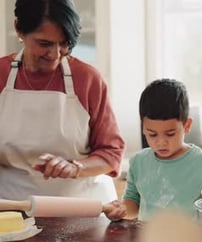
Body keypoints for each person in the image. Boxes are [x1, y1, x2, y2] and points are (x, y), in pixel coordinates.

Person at [0, 0, 125, 202]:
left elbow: (111, 153)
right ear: (19, 29)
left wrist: (76, 167)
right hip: (11, 209)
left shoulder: (87, 79)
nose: (56, 54)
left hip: (81, 206)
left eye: (64, 43)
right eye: (44, 43)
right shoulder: (1, 74)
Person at [104, 79, 202, 221]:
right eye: (152, 134)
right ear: (143, 127)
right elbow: (133, 205)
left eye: (170, 134)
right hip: (148, 240)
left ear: (187, 125)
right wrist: (121, 210)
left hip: (190, 241)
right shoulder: (139, 162)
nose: (161, 142)